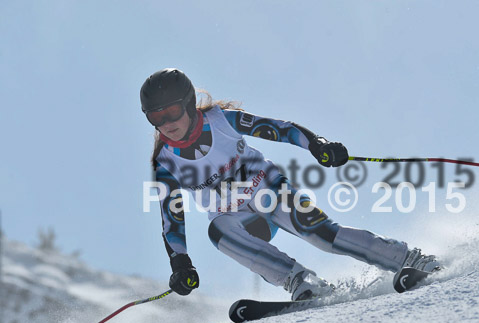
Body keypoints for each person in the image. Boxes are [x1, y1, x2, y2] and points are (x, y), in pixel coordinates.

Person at [140, 68, 438, 301]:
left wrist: (317, 145)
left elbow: (279, 130)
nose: (166, 122)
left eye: (172, 112)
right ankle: (301, 282)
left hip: (268, 190)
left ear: (189, 104)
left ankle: (409, 259)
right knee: (217, 231)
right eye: (156, 116)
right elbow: (172, 218)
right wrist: (180, 263)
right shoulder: (165, 162)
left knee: (323, 236)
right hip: (237, 219)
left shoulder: (221, 120)